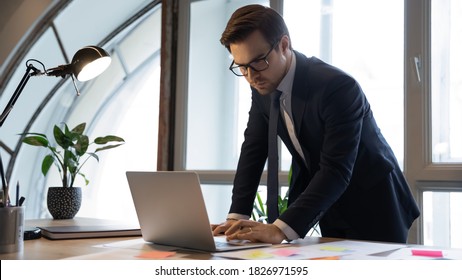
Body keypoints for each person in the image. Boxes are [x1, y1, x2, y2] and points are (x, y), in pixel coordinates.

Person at [211, 4, 420, 244]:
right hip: (328, 205)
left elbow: (336, 169)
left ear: (284, 45)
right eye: (242, 66)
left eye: (258, 61)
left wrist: (279, 230)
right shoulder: (262, 86)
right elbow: (253, 150)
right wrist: (235, 218)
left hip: (376, 206)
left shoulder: (337, 87)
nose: (250, 76)